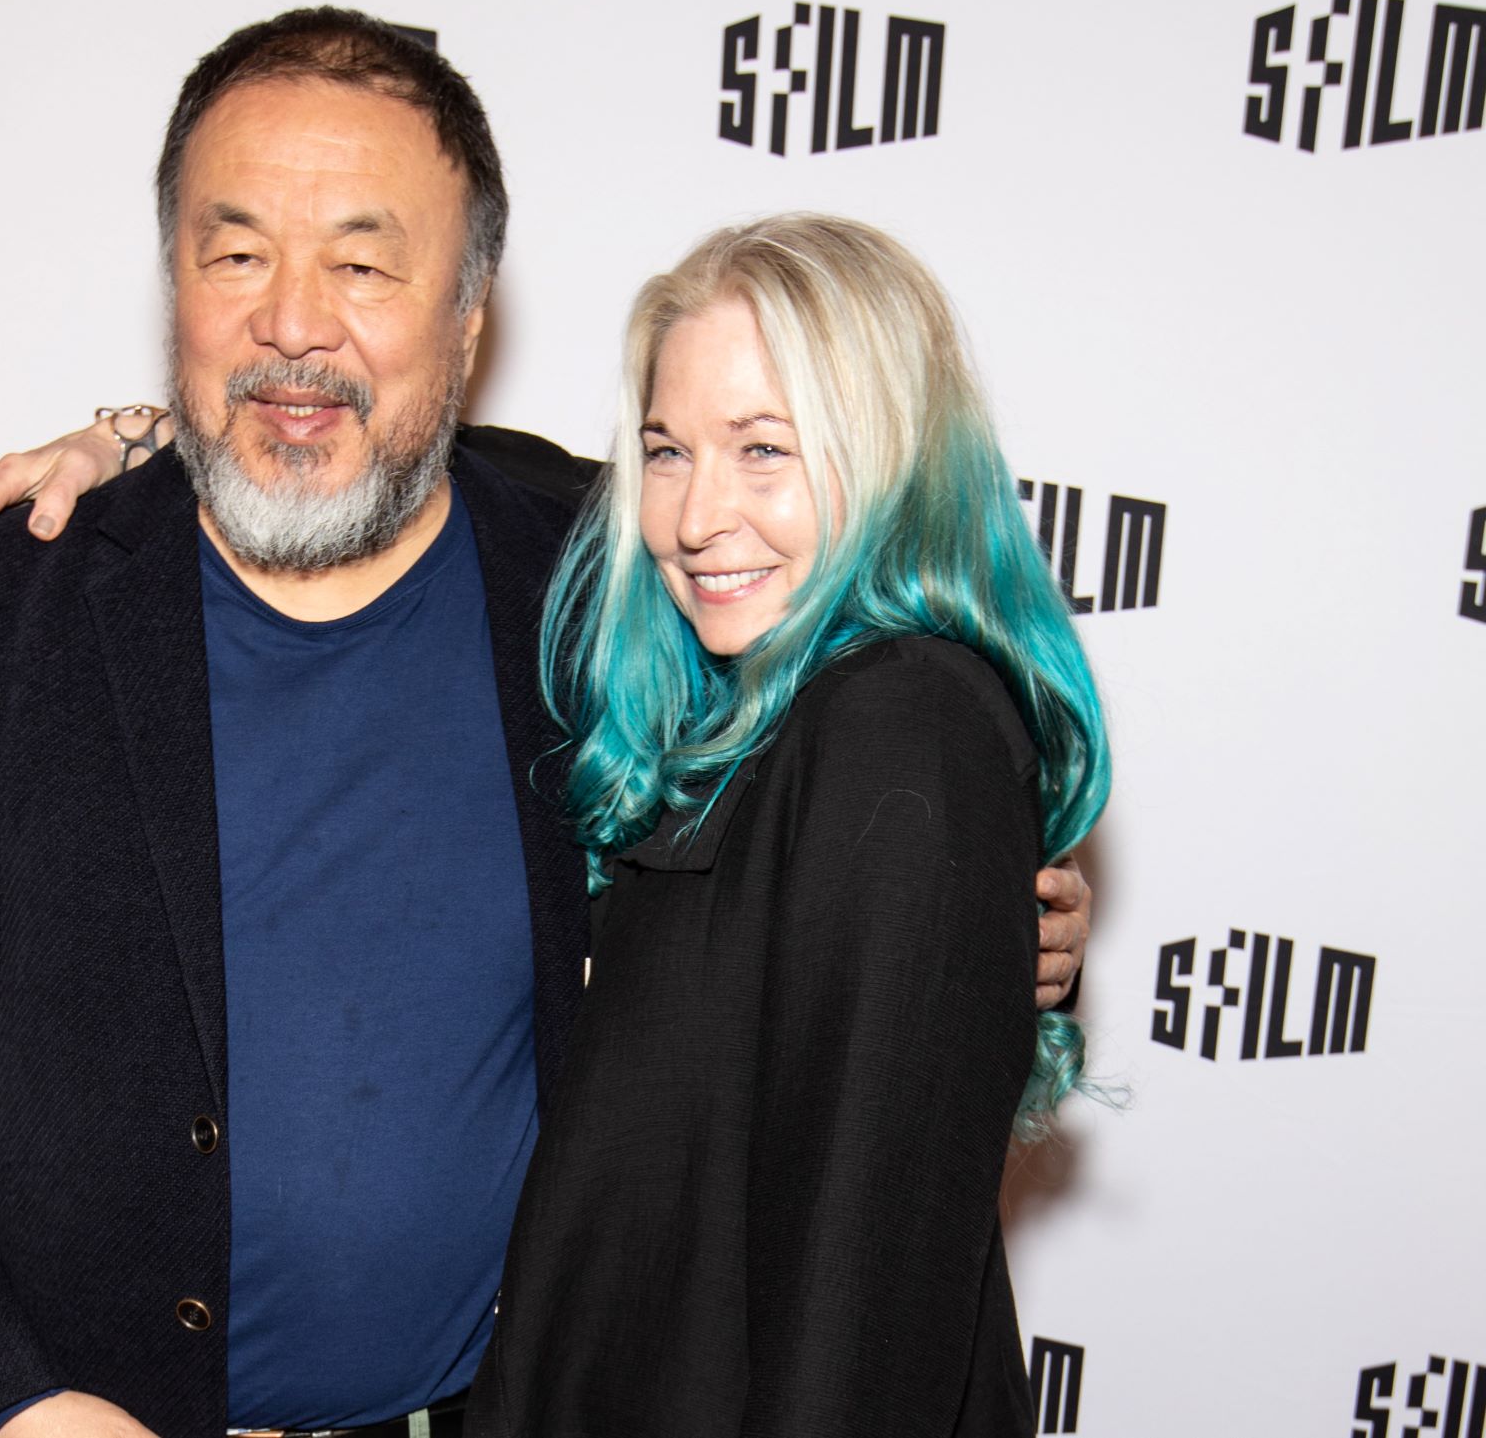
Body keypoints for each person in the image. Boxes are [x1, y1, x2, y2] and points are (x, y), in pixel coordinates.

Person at [0, 7, 1089, 1438]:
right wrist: (1, 1401)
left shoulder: (619, 584)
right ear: (175, 282)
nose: (293, 321)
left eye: (361, 262)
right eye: (236, 256)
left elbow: (853, 801)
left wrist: (978, 919)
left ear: (468, 316)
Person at [468, 214, 1110, 1437]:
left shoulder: (896, 733)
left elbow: (856, 1306)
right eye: (665, 451)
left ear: (892, 458)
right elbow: (494, 472)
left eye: (766, 449)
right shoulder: (769, 702)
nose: (696, 516)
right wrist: (154, 437)